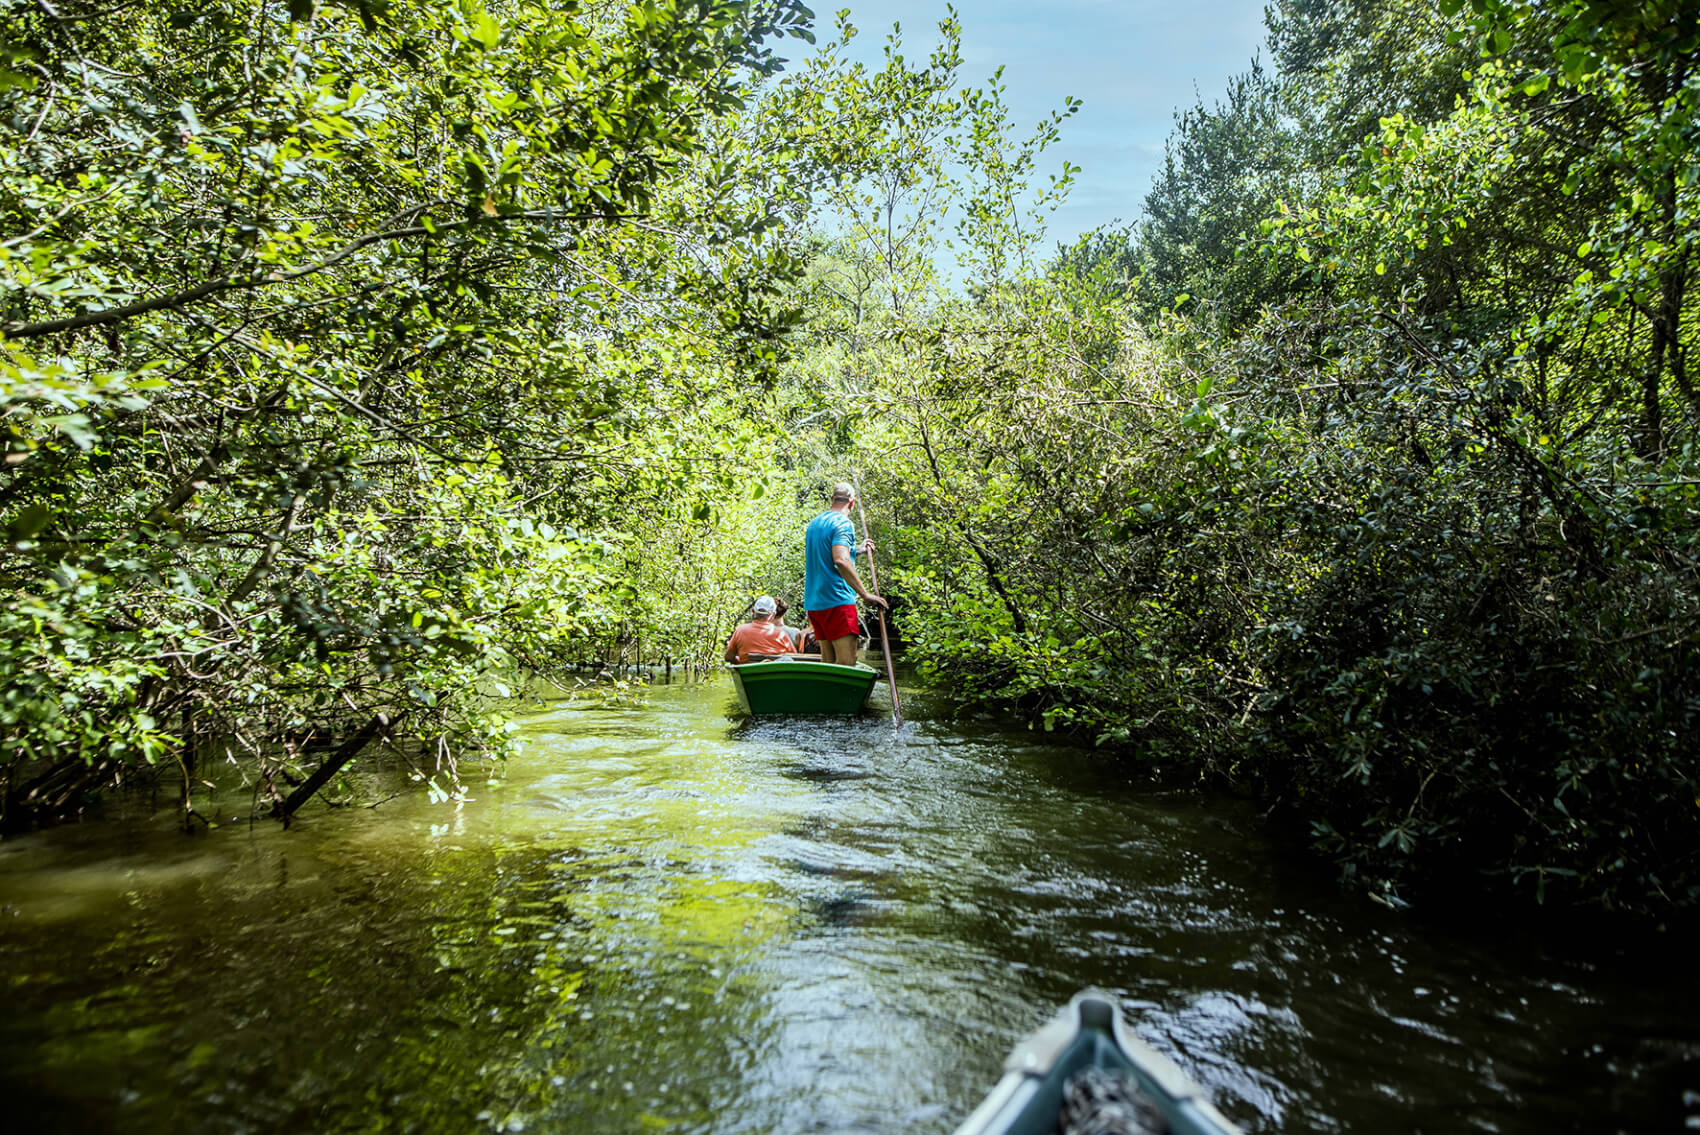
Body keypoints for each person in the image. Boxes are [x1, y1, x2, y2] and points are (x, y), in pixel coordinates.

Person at [802, 481, 887, 666]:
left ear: (831, 499)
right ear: (852, 503)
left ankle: (825, 695)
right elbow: (840, 560)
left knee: (828, 660)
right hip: (837, 600)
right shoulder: (843, 524)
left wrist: (856, 550)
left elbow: (825, 553)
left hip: (815, 603)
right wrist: (864, 594)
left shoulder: (814, 524)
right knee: (848, 661)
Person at [724, 596, 796, 664]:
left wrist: (738, 662)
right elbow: (794, 657)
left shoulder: (740, 630)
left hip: (749, 673)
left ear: (753, 612)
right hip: (775, 674)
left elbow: (729, 657)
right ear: (773, 615)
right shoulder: (781, 634)